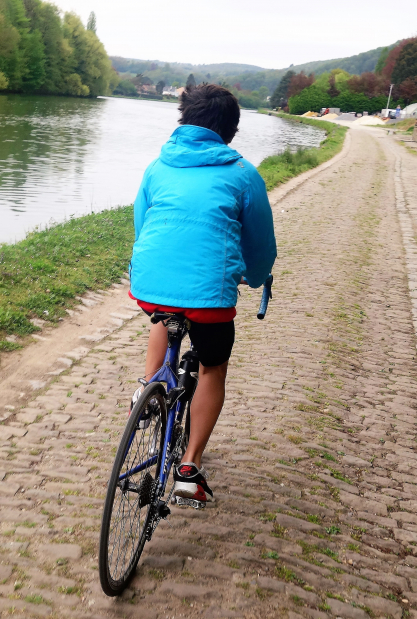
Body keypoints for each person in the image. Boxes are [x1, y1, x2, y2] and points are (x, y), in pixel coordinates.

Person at [128, 83, 276, 506]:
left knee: (164, 314)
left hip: (151, 284)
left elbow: (141, 223)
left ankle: (148, 389)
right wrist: (256, 276)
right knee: (213, 367)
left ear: (184, 118)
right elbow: (261, 246)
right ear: (230, 129)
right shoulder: (243, 174)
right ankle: (189, 469)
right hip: (209, 298)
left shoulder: (158, 166)